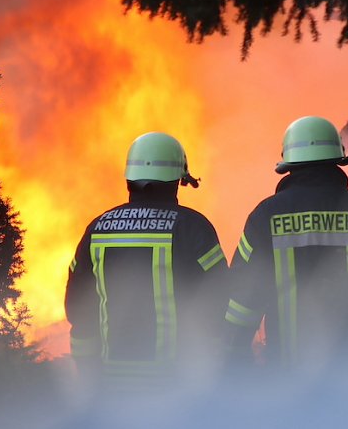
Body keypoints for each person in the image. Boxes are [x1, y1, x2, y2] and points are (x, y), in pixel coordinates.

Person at [223, 116, 348, 369]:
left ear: (289, 165)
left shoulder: (266, 215)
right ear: (337, 161)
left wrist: (233, 355)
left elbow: (244, 295)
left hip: (289, 370)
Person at [65, 132, 228, 391]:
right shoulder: (193, 227)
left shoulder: (98, 227)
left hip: (110, 386)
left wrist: (89, 378)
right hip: (176, 386)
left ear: (130, 179)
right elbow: (222, 298)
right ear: (178, 180)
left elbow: (78, 308)